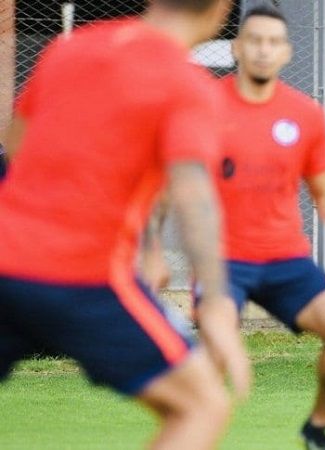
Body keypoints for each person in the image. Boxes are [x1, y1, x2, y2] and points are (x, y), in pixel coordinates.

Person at [0, 1, 252, 449]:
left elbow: (17, 144)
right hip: (82, 277)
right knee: (201, 404)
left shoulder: (70, 48)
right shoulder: (187, 85)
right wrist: (214, 305)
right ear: (221, 11)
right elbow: (192, 195)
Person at [214, 3, 325, 448]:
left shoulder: (304, 114)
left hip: (285, 258)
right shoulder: (206, 108)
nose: (263, 51)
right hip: (222, 260)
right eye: (254, 40)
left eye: (273, 42)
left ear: (287, 52)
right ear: (237, 47)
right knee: (212, 350)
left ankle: (317, 427)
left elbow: (324, 194)